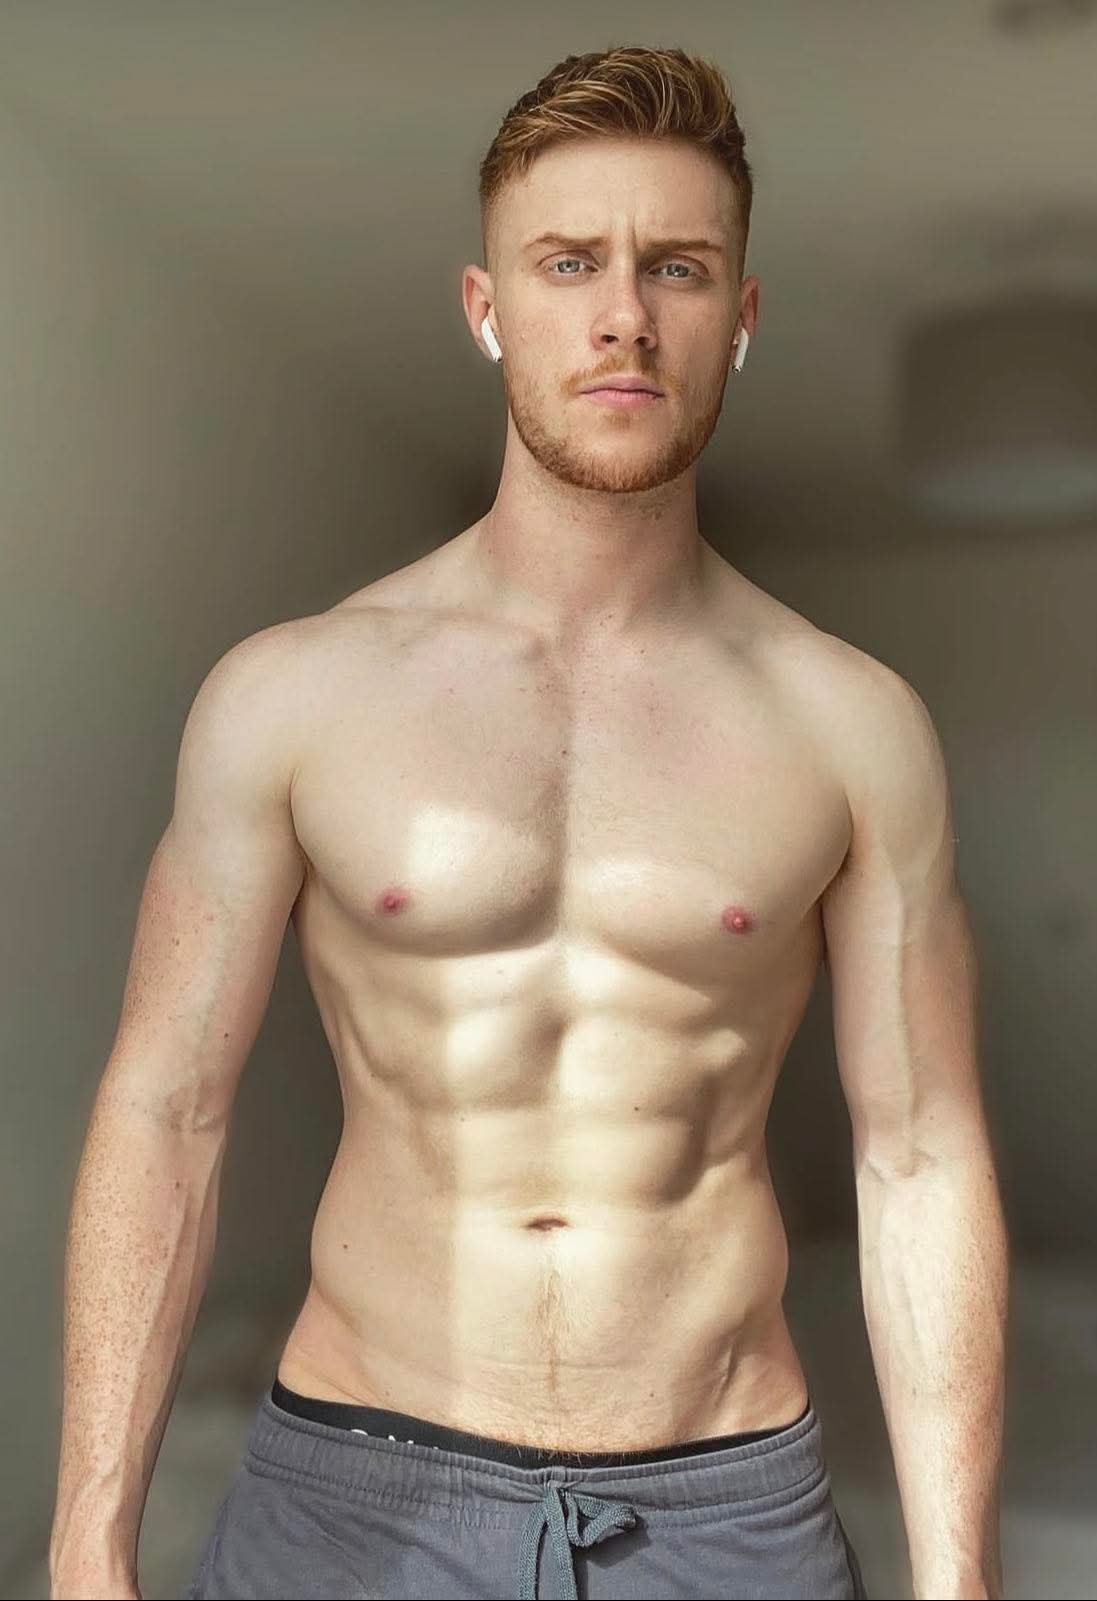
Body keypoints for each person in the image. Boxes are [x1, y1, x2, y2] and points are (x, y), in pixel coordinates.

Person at [49, 44, 1009, 1601]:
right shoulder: (293, 693)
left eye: (675, 266)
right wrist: (88, 1541)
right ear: (485, 306)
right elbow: (166, 1105)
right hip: (353, 1483)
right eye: (569, 263)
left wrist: (957, 1572)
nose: (624, 314)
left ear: (740, 314)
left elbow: (920, 1153)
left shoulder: (850, 725)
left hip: (723, 1503)